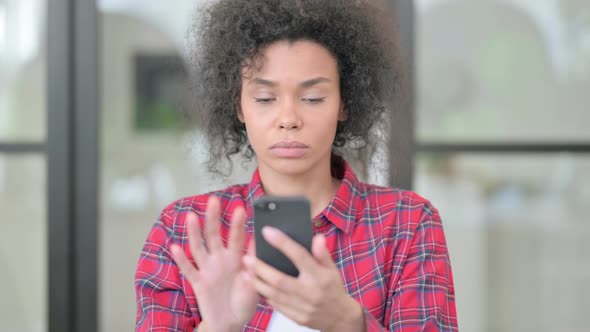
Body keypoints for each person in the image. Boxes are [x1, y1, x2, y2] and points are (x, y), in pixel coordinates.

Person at [135, 0, 458, 331]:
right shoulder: (183, 230)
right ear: (239, 107)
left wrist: (348, 323)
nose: (288, 119)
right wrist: (218, 327)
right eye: (264, 99)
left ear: (344, 103)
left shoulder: (407, 224)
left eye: (313, 98)